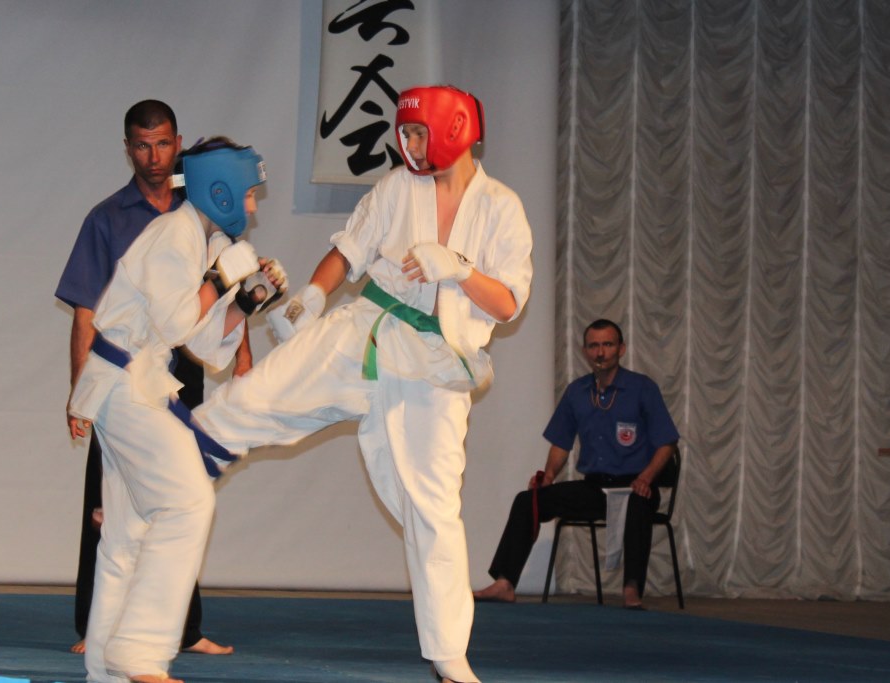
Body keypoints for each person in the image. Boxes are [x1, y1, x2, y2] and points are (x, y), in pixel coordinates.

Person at [192, 85, 533, 683]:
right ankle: (164, 469)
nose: (411, 145)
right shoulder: (398, 188)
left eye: (420, 133)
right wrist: (314, 295)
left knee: (431, 509)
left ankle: (450, 657)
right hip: (365, 330)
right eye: (408, 134)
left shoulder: (501, 207)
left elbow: (507, 304)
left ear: (454, 130)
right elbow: (347, 254)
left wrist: (460, 270)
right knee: (257, 396)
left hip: (434, 367)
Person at [66, 136, 284, 683]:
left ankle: (105, 669)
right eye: (249, 194)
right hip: (124, 383)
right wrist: (219, 280)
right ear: (220, 191)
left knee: (125, 535)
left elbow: (203, 343)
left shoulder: (205, 243)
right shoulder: (172, 235)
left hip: (133, 384)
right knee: (188, 503)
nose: (252, 206)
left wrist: (249, 301)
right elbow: (173, 322)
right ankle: (139, 651)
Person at [55, 100, 242, 657]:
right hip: (124, 375)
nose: (154, 156)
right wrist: (80, 393)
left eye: (163, 144)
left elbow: (221, 300)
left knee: (174, 496)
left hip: (177, 370)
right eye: (142, 145)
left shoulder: (199, 211)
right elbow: (87, 311)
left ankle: (179, 629)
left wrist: (245, 352)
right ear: (128, 148)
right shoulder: (110, 218)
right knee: (141, 502)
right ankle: (105, 630)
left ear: (178, 144)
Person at [473, 319, 679, 610]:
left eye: (607, 345)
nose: (600, 352)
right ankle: (505, 583)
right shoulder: (577, 392)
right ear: (585, 351)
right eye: (594, 346)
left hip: (636, 486)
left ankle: (632, 589)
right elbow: (561, 443)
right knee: (527, 500)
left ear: (621, 349)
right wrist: (549, 476)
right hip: (595, 488)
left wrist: (646, 478)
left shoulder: (642, 388)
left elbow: (667, 442)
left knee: (637, 505)